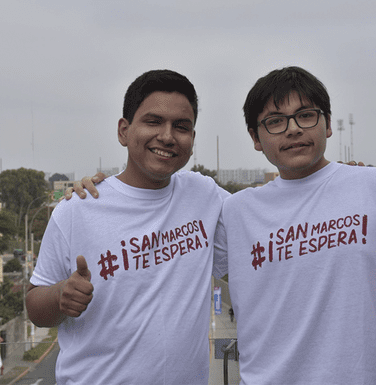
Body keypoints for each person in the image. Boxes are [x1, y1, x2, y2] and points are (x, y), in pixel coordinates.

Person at [73, 66, 376, 384]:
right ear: (255, 138)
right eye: (275, 122)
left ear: (328, 125)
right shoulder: (233, 211)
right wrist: (110, 191)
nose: (293, 129)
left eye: (307, 115)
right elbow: (156, 222)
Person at [26, 69, 229, 384]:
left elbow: (273, 224)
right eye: (153, 121)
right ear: (123, 130)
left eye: (181, 126)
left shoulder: (205, 196)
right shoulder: (76, 208)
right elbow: (35, 307)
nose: (167, 135)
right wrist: (60, 297)